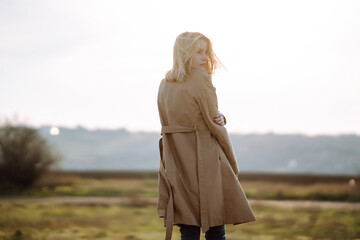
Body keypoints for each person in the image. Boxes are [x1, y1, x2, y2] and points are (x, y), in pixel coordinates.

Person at [157, 32, 255, 240]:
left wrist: (219, 117)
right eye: (198, 52)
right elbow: (214, 125)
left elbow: (168, 122)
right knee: (215, 225)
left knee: (188, 225)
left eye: (206, 52)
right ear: (184, 53)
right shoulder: (201, 79)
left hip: (176, 162)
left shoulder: (164, 83)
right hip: (205, 160)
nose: (205, 58)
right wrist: (231, 162)